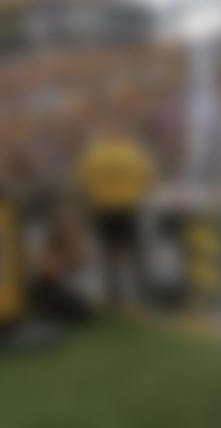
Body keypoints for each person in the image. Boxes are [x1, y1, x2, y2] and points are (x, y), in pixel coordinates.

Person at [74, 118, 156, 312]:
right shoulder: (131, 151)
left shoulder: (96, 153)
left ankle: (120, 295)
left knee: (115, 254)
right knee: (129, 253)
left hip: (112, 207)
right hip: (121, 207)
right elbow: (147, 178)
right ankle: (136, 293)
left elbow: (81, 183)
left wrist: (87, 204)